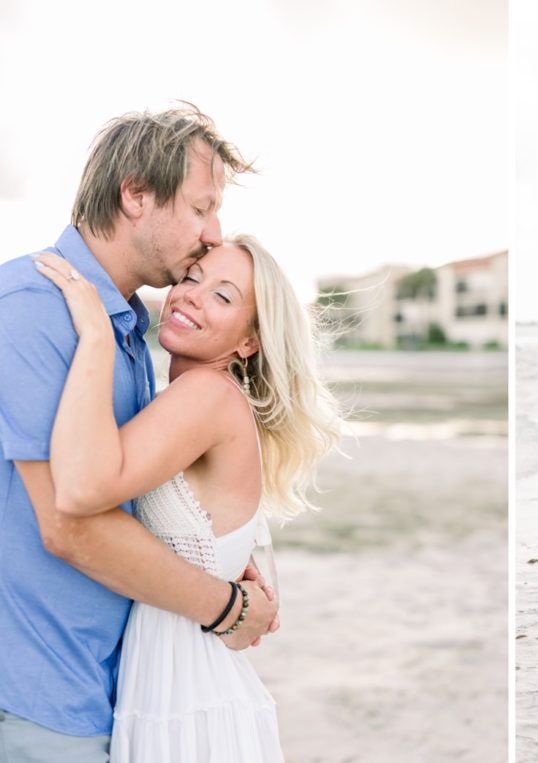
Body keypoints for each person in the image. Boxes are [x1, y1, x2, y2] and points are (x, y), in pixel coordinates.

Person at [0, 106, 278, 761]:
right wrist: (224, 605)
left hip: (107, 692)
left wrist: (229, 551)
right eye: (201, 208)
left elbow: (133, 491)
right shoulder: (32, 309)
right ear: (135, 194)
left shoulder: (128, 330)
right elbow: (71, 522)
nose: (212, 235)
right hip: (38, 701)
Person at [34, 235, 341, 761]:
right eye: (193, 279)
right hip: (176, 686)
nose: (191, 296)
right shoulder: (192, 397)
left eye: (223, 297)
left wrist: (95, 340)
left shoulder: (208, 395)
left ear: (249, 342)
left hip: (186, 700)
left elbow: (84, 486)